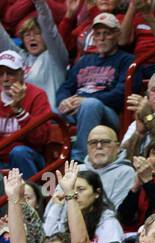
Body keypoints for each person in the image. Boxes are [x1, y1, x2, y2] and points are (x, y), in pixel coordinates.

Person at [55, 12, 132, 163]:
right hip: (75, 108)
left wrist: (85, 100)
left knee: (91, 105)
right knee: (48, 110)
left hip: (107, 113)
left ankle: (80, 160)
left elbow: (121, 94)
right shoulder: (84, 61)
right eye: (97, 34)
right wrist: (63, 101)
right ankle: (51, 160)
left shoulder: (127, 60)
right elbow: (66, 87)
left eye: (107, 33)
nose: (101, 38)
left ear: (117, 35)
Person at [0, 0, 69, 110]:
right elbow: (1, 38)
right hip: (20, 116)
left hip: (47, 118)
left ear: (45, 38)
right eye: (27, 35)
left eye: (37, 34)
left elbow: (48, 27)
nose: (32, 38)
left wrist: (39, 3)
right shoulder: (19, 57)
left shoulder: (55, 57)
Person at [0, 49, 54, 179]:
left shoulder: (37, 95)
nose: (5, 79)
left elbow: (40, 139)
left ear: (22, 74)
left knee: (19, 153)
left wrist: (19, 111)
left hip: (30, 157)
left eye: (11, 73)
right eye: (1, 74)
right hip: (1, 158)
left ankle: (29, 197)